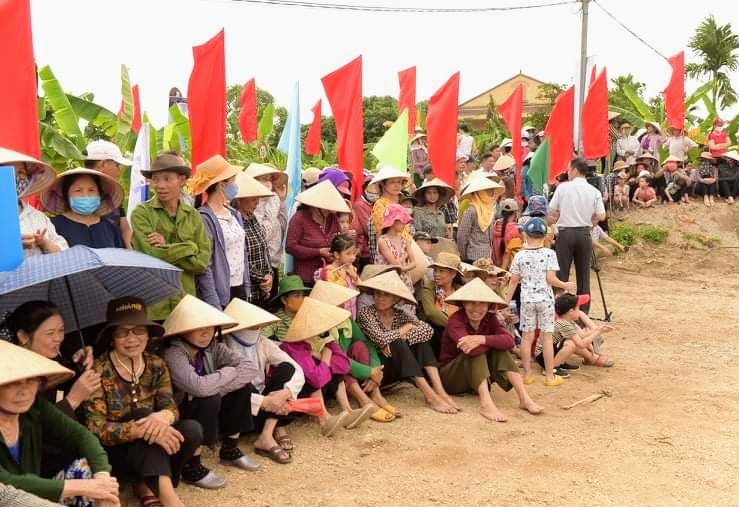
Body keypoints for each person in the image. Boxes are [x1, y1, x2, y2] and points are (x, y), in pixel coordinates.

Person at [86, 297, 204, 507]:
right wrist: (137, 429)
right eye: (122, 332)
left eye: (138, 331)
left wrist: (163, 416)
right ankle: (169, 499)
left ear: (148, 335)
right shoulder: (98, 370)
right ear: (112, 337)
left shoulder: (156, 364)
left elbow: (170, 406)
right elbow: (95, 428)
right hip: (116, 453)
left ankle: (147, 484)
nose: (131, 339)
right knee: (141, 417)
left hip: (154, 446)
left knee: (192, 429)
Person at [0, 341, 118, 507]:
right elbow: (6, 484)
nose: (24, 391)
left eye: (31, 381)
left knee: (90, 471)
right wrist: (80, 487)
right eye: (13, 383)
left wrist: (103, 479)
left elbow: (81, 436)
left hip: (35, 493)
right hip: (7, 499)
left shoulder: (35, 408)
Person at [162, 295, 261, 486]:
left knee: (243, 388)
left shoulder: (212, 347)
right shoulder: (173, 353)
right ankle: (193, 466)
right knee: (208, 397)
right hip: (176, 411)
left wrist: (215, 386)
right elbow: (198, 387)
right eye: (198, 327)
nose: (206, 333)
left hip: (204, 399)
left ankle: (230, 449)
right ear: (183, 330)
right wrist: (227, 372)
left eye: (209, 327)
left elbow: (249, 368)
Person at [439, 279, 542, 422]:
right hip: (451, 378)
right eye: (471, 302)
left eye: (482, 303)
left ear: (489, 305)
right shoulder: (455, 320)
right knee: (478, 351)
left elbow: (509, 341)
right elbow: (471, 350)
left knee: (499, 350)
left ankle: (524, 398)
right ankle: (486, 404)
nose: (476, 308)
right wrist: (492, 341)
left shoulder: (490, 318)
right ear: (463, 303)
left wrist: (481, 339)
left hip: (474, 377)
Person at [357, 270, 459, 414]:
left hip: (398, 366)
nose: (380, 298)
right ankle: (430, 396)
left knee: (419, 343)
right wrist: (401, 332)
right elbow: (379, 338)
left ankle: (439, 390)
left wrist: (402, 337)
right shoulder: (366, 313)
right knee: (397, 343)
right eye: (378, 293)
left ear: (395, 299)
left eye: (386, 294)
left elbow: (427, 331)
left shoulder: (400, 313)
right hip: (378, 370)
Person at [222, 299, 304, 464]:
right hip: (236, 412)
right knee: (243, 384)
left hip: (267, 406)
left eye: (257, 325)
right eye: (251, 326)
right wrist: (265, 401)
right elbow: (224, 390)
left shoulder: (261, 342)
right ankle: (277, 427)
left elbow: (297, 370)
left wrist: (284, 394)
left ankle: (266, 435)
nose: (255, 330)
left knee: (286, 369)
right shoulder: (222, 347)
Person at [131, 152, 212, 320]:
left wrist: (166, 246)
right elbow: (151, 255)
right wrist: (190, 247)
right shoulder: (141, 213)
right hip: (155, 305)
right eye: (155, 179)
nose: (160, 185)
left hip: (186, 302)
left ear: (182, 180)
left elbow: (202, 262)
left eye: (167, 179)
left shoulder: (193, 216)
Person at [280, 297, 374, 436]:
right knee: (316, 370)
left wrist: (323, 355)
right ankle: (324, 419)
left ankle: (348, 410)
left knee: (334, 369)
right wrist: (325, 357)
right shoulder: (295, 344)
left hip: (319, 377)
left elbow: (344, 364)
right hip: (293, 389)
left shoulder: (322, 336)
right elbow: (315, 378)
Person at [504, 218, 576, 387]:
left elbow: (513, 281)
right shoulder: (549, 254)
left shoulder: (520, 255)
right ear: (545, 236)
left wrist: (505, 302)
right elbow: (551, 279)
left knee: (527, 338)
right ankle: (550, 377)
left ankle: (528, 375)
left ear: (525, 235)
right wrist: (565, 285)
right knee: (546, 338)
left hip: (527, 300)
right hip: (545, 300)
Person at [309, 281, 396, 422]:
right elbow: (335, 358)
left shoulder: (345, 319)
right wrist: (369, 372)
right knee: (339, 363)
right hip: (327, 367)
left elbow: (366, 343)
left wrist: (375, 369)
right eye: (338, 302)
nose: (343, 305)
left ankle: (376, 394)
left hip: (346, 363)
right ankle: (363, 400)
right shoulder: (317, 326)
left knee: (360, 346)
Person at [2, 301, 99, 424]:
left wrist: (81, 365)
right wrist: (72, 400)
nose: (58, 338)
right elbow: (31, 428)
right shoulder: (10, 376)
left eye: (61, 330)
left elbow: (69, 383)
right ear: (23, 336)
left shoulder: (56, 362)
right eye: (50, 333)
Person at [190, 155, 250, 308]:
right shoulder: (203, 218)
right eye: (233, 182)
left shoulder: (234, 214)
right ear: (221, 185)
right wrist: (213, 301)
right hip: (220, 292)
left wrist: (247, 286)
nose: (235, 186)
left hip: (239, 287)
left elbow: (243, 251)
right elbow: (205, 264)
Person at [548, 158, 606, 311]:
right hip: (584, 233)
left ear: (574, 170)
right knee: (583, 275)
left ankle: (559, 310)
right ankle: (583, 312)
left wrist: (561, 217)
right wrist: (589, 222)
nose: (567, 172)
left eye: (568, 169)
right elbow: (601, 215)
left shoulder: (563, 188)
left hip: (566, 233)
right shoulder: (594, 191)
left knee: (561, 273)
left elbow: (552, 211)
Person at [1, 148, 67, 257]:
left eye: (21, 172)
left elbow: (64, 254)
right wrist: (10, 246)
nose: (15, 177)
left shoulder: (38, 217)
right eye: (8, 171)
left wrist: (44, 243)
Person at [41, 168, 124, 248]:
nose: (86, 195)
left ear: (100, 194)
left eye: (91, 190)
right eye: (78, 190)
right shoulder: (54, 225)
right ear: (67, 195)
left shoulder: (110, 226)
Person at [286, 181, 349, 285]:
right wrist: (318, 252)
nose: (329, 210)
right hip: (306, 278)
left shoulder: (332, 219)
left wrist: (334, 253)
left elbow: (338, 240)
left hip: (329, 276)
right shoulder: (299, 219)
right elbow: (290, 247)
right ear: (315, 206)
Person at [232, 171, 277, 306]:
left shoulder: (253, 218)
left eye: (258, 199)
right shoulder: (234, 221)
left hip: (262, 286)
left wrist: (269, 275)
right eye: (253, 199)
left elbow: (264, 249)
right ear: (240, 200)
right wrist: (262, 278)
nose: (257, 203)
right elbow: (241, 257)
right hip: (247, 286)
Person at [244, 163, 288, 297]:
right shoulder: (251, 205)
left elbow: (282, 226)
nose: (268, 183)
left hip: (272, 263)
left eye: (269, 179)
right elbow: (264, 233)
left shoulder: (272, 200)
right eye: (263, 179)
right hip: (256, 268)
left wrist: (281, 202)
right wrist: (273, 206)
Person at [538, 294, 615, 370]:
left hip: (548, 352)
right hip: (543, 356)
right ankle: (552, 368)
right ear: (571, 311)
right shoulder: (564, 324)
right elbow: (581, 344)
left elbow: (582, 335)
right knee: (571, 343)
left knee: (572, 340)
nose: (580, 311)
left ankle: (560, 363)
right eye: (578, 308)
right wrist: (598, 331)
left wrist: (599, 329)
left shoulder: (567, 321)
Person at [84, 139, 134, 248]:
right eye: (117, 165)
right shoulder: (75, 194)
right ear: (104, 164)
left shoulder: (113, 194)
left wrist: (131, 252)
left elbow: (125, 228)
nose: (119, 171)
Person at [416, 252, 463, 355]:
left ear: (453, 274)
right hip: (437, 332)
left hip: (458, 333)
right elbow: (431, 313)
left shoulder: (461, 292)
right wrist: (455, 328)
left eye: (441, 271)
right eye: (435, 270)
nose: (436, 274)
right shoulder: (429, 287)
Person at [368, 165, 412, 262]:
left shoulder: (400, 204)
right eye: (392, 182)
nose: (397, 186)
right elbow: (380, 233)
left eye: (399, 182)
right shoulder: (379, 205)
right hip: (389, 254)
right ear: (383, 184)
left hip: (405, 251)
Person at [457, 175, 504, 263]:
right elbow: (461, 236)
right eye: (487, 191)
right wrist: (464, 256)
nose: (491, 194)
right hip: (471, 257)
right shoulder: (471, 211)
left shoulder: (490, 211)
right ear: (480, 193)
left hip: (487, 257)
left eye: (491, 191)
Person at [315, 233, 360, 319]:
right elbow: (334, 295)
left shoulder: (351, 268)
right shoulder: (329, 272)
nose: (352, 257)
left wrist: (355, 277)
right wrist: (342, 279)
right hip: (336, 315)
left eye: (354, 253)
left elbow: (360, 288)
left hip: (351, 312)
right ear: (336, 255)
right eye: (348, 253)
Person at [375, 204, 416, 294]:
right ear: (393, 221)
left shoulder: (405, 240)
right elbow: (395, 264)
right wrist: (405, 255)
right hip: (388, 282)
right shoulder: (383, 241)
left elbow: (414, 263)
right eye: (402, 221)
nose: (404, 224)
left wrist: (403, 269)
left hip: (405, 281)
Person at [261, 275, 312, 342]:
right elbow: (261, 338)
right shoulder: (275, 321)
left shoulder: (307, 318)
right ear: (284, 300)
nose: (302, 299)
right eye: (297, 296)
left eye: (303, 296)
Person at [351, 171, 377, 270]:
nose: (375, 191)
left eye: (377, 187)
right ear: (365, 188)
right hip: (366, 251)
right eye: (372, 187)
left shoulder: (374, 204)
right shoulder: (360, 205)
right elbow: (368, 228)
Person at [492, 198, 521, 270]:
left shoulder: (495, 225)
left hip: (495, 265)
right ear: (515, 213)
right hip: (509, 268)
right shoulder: (516, 229)